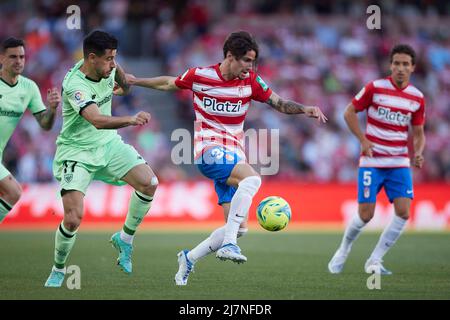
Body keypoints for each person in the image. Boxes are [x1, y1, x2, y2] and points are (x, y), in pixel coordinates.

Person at [125, 31, 327, 285]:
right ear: (230, 56)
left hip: (233, 155)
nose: (249, 66)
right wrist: (135, 80)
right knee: (253, 180)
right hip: (208, 151)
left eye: (253, 61)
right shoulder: (201, 75)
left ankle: (189, 258)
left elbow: (278, 102)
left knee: (240, 226)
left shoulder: (252, 81)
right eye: (245, 60)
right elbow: (168, 83)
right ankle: (228, 244)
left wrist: (304, 108)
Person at [44, 30, 158, 287]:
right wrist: (130, 119)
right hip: (77, 152)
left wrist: (118, 72)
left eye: (115, 58)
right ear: (92, 58)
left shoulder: (108, 68)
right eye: (109, 59)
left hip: (107, 146)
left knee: (149, 182)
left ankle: (124, 239)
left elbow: (125, 88)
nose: (112, 63)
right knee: (73, 218)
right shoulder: (75, 85)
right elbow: (96, 120)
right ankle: (59, 269)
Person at [328, 44, 426, 275]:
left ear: (412, 67)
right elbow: (349, 112)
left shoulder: (417, 98)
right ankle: (343, 249)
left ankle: (374, 260)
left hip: (398, 162)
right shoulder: (375, 88)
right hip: (372, 161)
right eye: (396, 63)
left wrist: (419, 152)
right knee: (366, 214)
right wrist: (362, 140)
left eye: (405, 64)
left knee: (403, 212)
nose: (400, 68)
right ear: (390, 65)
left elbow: (419, 133)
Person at [0, 37, 61, 223]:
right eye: (13, 57)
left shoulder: (29, 88)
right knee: (14, 191)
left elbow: (45, 124)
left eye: (22, 57)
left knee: (12, 193)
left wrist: (51, 109)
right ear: (2, 58)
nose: (18, 61)